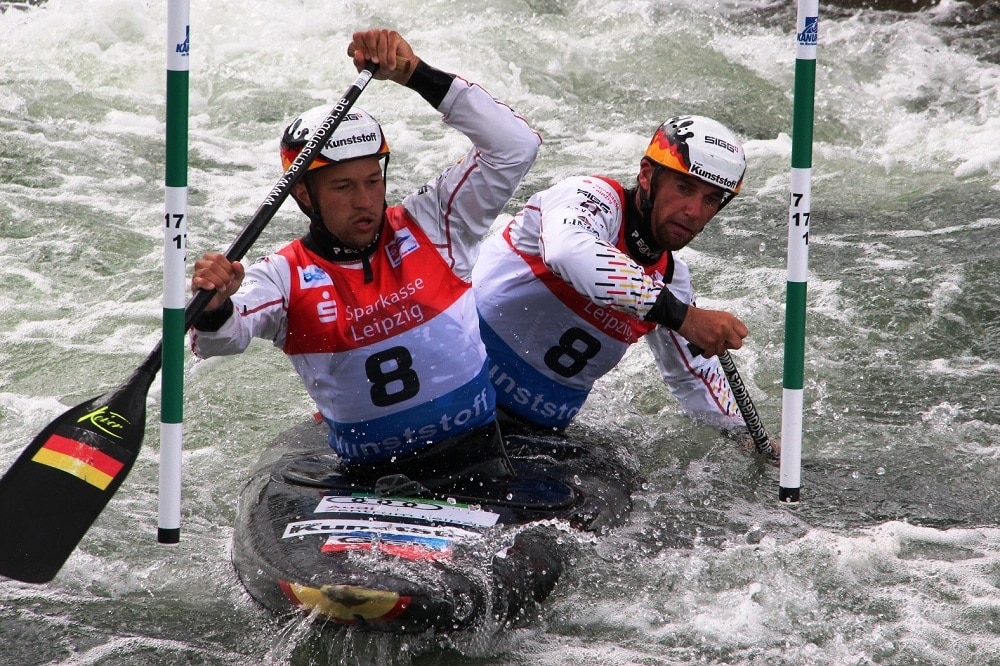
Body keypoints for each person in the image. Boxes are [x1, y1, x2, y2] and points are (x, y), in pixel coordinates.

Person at [189, 29, 541, 483]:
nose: (364, 201)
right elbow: (218, 341)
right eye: (343, 186)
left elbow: (516, 147)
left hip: (478, 460)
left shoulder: (436, 224)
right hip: (367, 481)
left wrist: (417, 75)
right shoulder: (281, 277)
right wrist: (214, 306)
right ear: (303, 195)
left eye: (372, 181)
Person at [473, 114, 772, 447]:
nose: (694, 211)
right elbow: (568, 252)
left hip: (531, 436)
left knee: (619, 489)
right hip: (449, 390)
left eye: (711, 199)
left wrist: (748, 438)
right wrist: (682, 317)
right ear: (647, 176)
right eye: (684, 188)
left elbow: (696, 380)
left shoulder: (673, 283)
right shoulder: (591, 198)